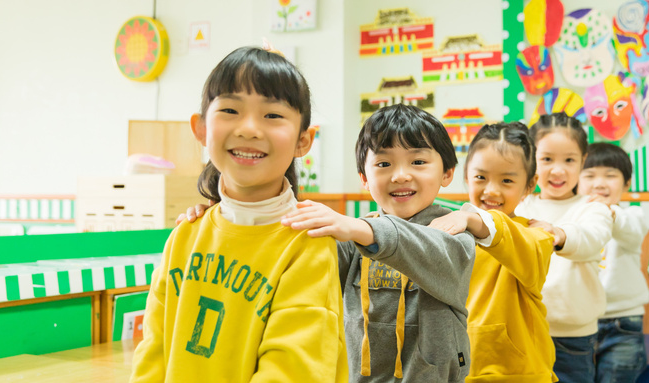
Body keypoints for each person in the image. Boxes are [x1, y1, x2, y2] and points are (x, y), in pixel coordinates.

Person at [129, 46, 348, 382]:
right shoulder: (185, 235)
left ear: (303, 140)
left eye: (272, 115)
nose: (249, 129)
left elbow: (292, 370)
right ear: (200, 129)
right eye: (230, 109)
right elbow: (153, 352)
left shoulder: (309, 246)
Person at [281, 104, 478, 382]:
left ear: (447, 173)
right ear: (364, 177)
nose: (400, 175)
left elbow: (432, 250)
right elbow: (303, 265)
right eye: (384, 164)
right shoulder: (355, 234)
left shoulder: (454, 231)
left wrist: (361, 229)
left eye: (418, 162)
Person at [430, 122, 560, 382]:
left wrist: (473, 219)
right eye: (481, 177)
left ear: (529, 185)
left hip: (520, 373)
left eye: (507, 180)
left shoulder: (535, 236)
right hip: (457, 371)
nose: (491, 190)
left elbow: (519, 242)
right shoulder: (448, 230)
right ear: (465, 176)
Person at [515, 112, 614, 383]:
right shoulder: (521, 206)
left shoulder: (593, 208)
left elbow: (591, 237)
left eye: (569, 160)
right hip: (524, 331)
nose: (558, 170)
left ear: (583, 161)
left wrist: (558, 233)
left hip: (573, 337)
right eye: (547, 159)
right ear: (531, 158)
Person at [580, 143, 649, 383]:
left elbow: (628, 228)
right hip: (580, 322)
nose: (599, 183)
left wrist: (606, 212)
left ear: (626, 183)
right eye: (589, 176)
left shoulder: (632, 216)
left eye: (610, 176)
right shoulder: (571, 222)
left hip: (623, 323)